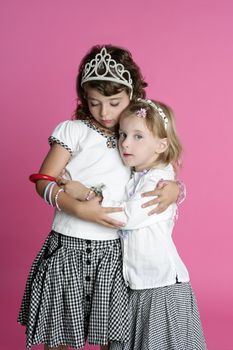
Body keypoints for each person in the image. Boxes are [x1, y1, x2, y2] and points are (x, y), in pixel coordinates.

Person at [18, 45, 181, 350]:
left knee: (112, 337)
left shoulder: (134, 134)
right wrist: (79, 210)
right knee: (61, 332)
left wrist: (175, 190)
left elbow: (159, 170)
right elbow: (43, 181)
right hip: (68, 248)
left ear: (133, 97)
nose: (105, 113)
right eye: (95, 103)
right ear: (84, 99)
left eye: (114, 103)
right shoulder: (74, 131)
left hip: (113, 254)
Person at [98, 98, 206, 350]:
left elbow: (127, 216)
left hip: (161, 286)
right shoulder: (135, 174)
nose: (125, 142)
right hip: (138, 283)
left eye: (138, 136)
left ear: (161, 145)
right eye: (123, 134)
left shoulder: (158, 180)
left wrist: (92, 197)